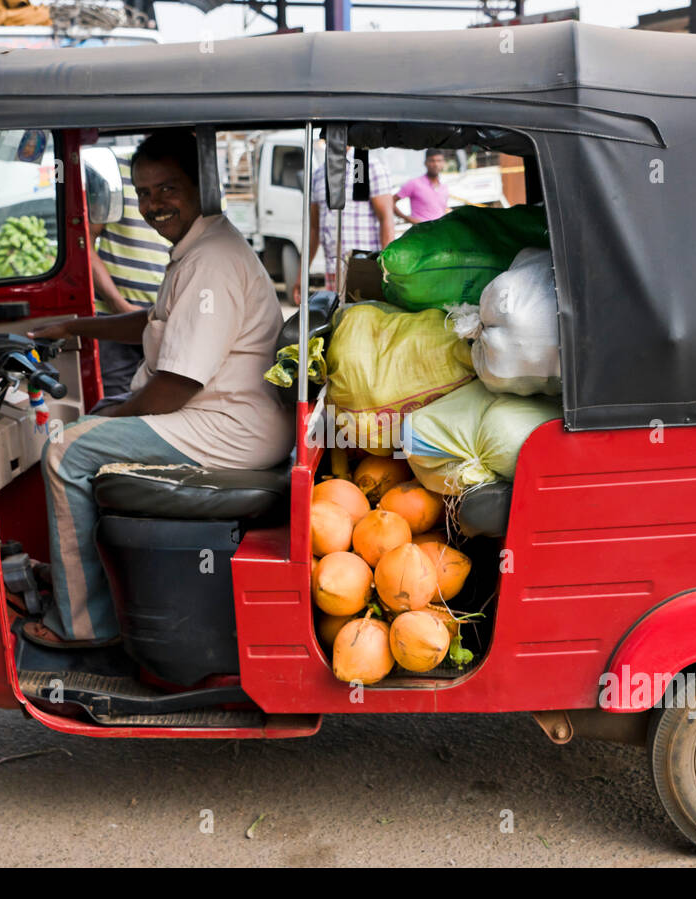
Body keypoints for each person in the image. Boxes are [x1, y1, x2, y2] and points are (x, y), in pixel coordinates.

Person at [22, 129, 293, 646]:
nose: (153, 206)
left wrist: (103, 423)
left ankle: (82, 623)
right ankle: (80, 574)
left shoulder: (210, 262)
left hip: (225, 430)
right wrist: (75, 326)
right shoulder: (200, 248)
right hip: (223, 418)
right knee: (93, 419)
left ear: (199, 186)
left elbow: (175, 386)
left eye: (167, 189)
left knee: (64, 449)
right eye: (143, 193)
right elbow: (154, 322)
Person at [88, 150, 170, 400]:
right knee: (117, 403)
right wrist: (117, 304)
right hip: (116, 321)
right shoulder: (114, 172)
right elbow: (85, 243)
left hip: (172, 325)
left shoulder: (205, 176)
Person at [292, 147, 396, 304]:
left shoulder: (367, 166)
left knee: (364, 320)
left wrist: (389, 270)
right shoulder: (319, 175)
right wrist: (301, 274)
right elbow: (314, 229)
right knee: (338, 322)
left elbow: (386, 219)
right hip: (333, 269)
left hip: (363, 266)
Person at [394, 149, 450, 225]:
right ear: (425, 163)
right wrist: (406, 218)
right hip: (420, 233)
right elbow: (390, 201)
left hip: (439, 231)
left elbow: (441, 209)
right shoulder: (414, 183)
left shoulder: (444, 186)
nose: (436, 164)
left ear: (443, 163)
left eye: (439, 161)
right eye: (432, 161)